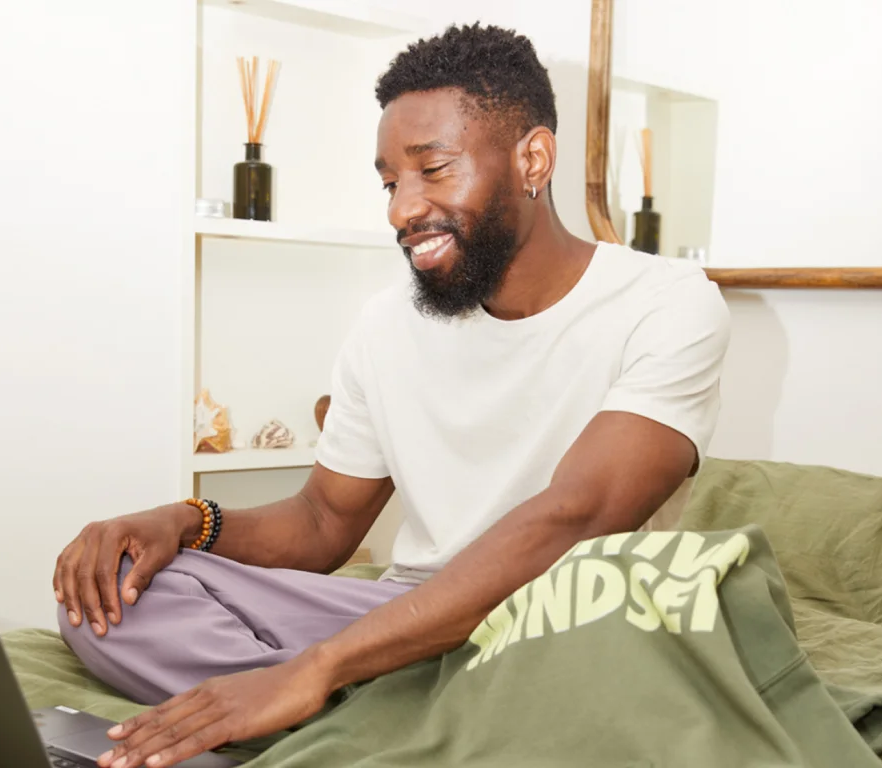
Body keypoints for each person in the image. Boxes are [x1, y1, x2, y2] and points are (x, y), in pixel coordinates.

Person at [54, 22, 730, 768]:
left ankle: (353, 705)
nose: (401, 210)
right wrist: (184, 520)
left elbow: (574, 516)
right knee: (111, 596)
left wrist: (317, 666)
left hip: (568, 625)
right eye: (389, 182)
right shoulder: (386, 326)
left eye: (433, 169)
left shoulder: (667, 304)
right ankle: (411, 712)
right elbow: (321, 521)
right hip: (401, 613)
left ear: (532, 158)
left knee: (596, 662)